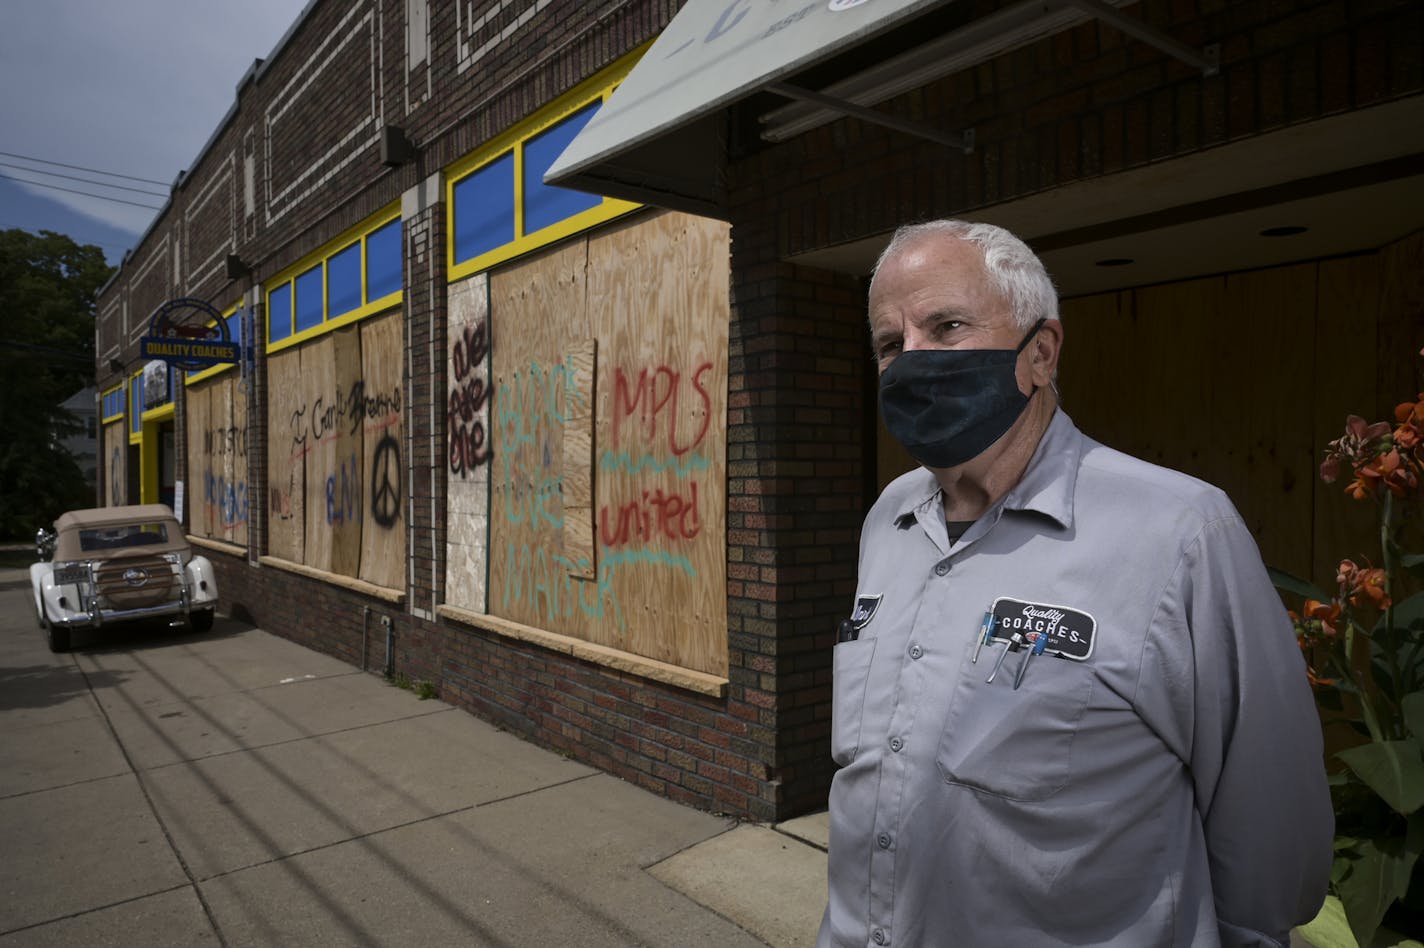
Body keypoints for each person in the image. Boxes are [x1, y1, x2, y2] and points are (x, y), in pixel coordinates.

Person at [820, 220, 1333, 948]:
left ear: (1040, 353)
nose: (912, 362)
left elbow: (1272, 838)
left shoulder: (1182, 532)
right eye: (890, 344)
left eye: (947, 326)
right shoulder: (889, 518)